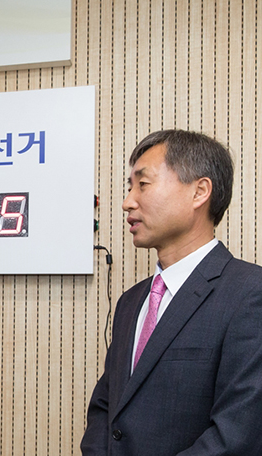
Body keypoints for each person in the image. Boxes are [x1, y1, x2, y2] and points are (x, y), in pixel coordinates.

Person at [81, 129, 262, 455]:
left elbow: (238, 435)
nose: (127, 202)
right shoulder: (130, 302)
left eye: (143, 184)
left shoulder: (250, 294)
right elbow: (106, 407)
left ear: (199, 192)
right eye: (129, 187)